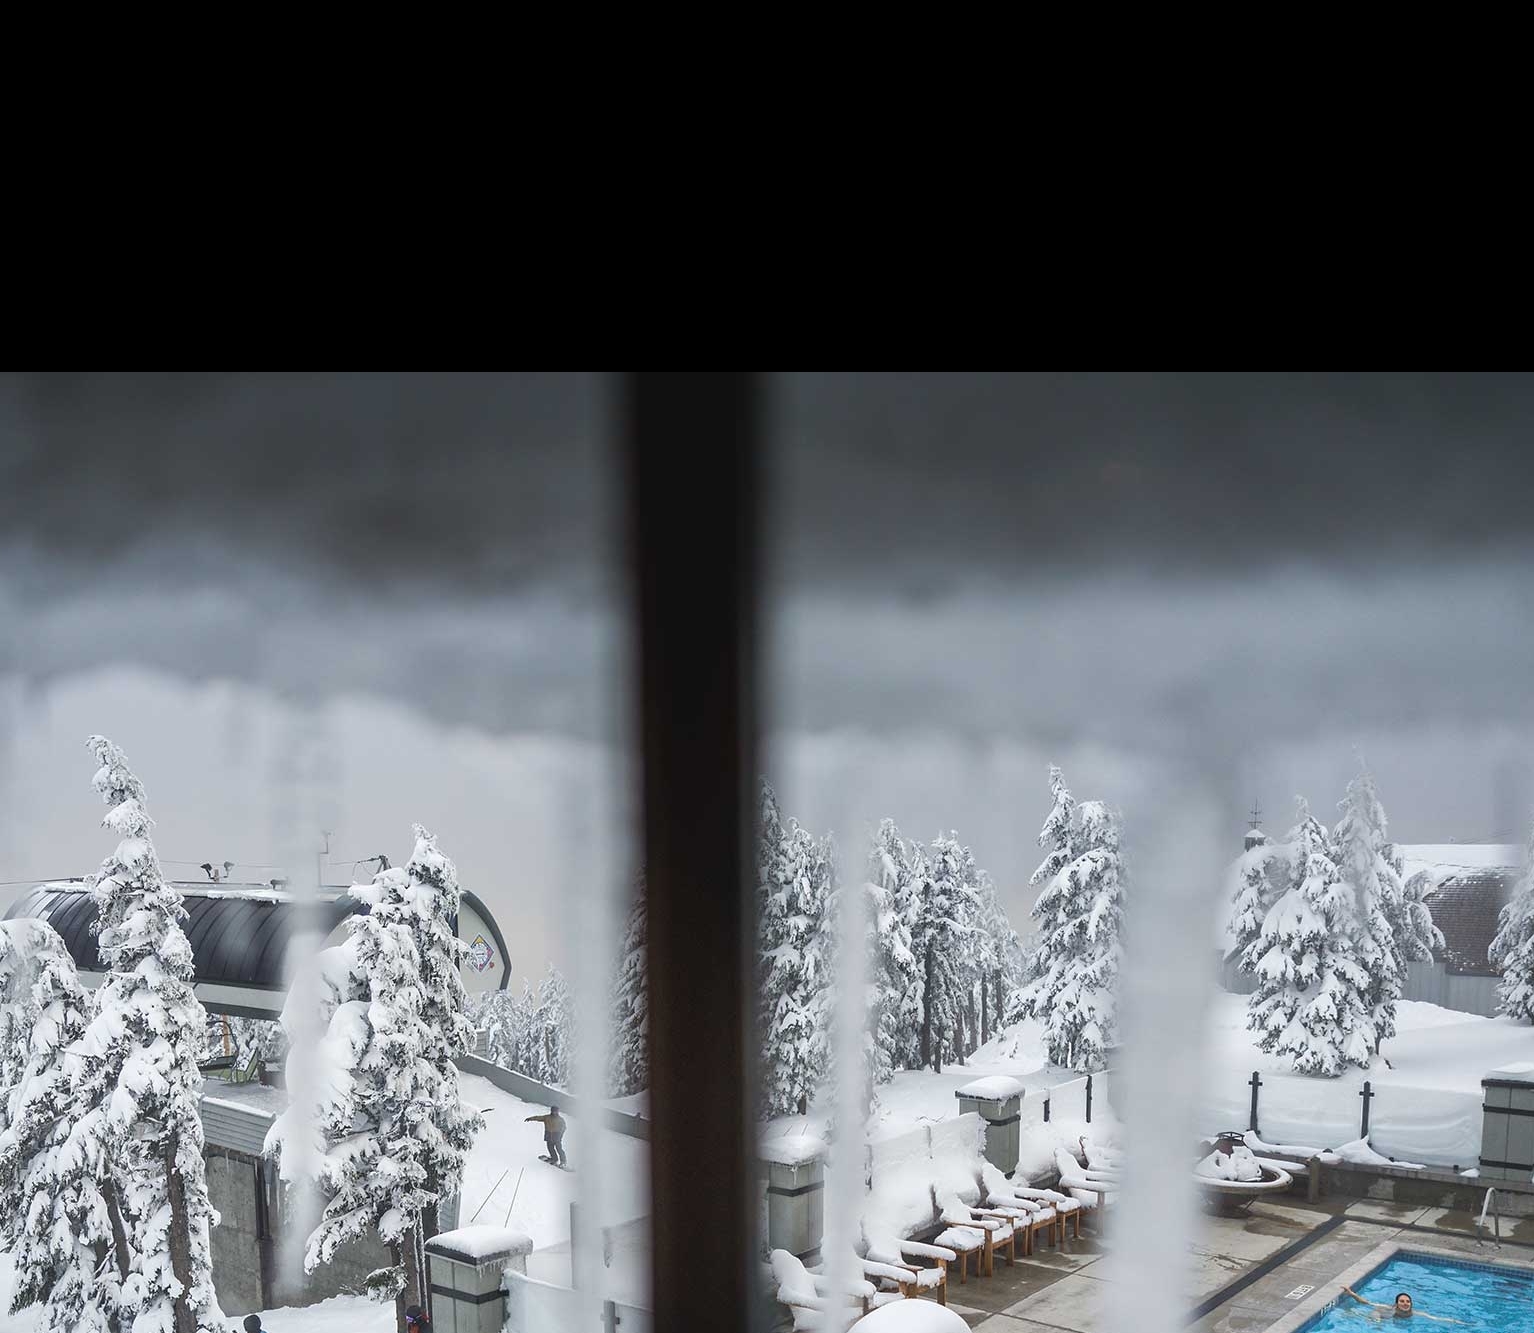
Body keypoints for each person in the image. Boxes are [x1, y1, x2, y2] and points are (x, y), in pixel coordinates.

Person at [1339, 1288, 1464, 1323]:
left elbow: (1436, 1318)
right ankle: (1352, 1314)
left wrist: (1456, 1321)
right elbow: (1367, 1302)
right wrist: (1352, 1294)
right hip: (1381, 1314)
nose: (1405, 1303)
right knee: (1375, 1319)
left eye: (1407, 1301)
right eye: (1402, 1301)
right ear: (1396, 1304)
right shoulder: (1390, 1308)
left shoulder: (1415, 1313)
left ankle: (1353, 1314)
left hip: (1390, 1319)